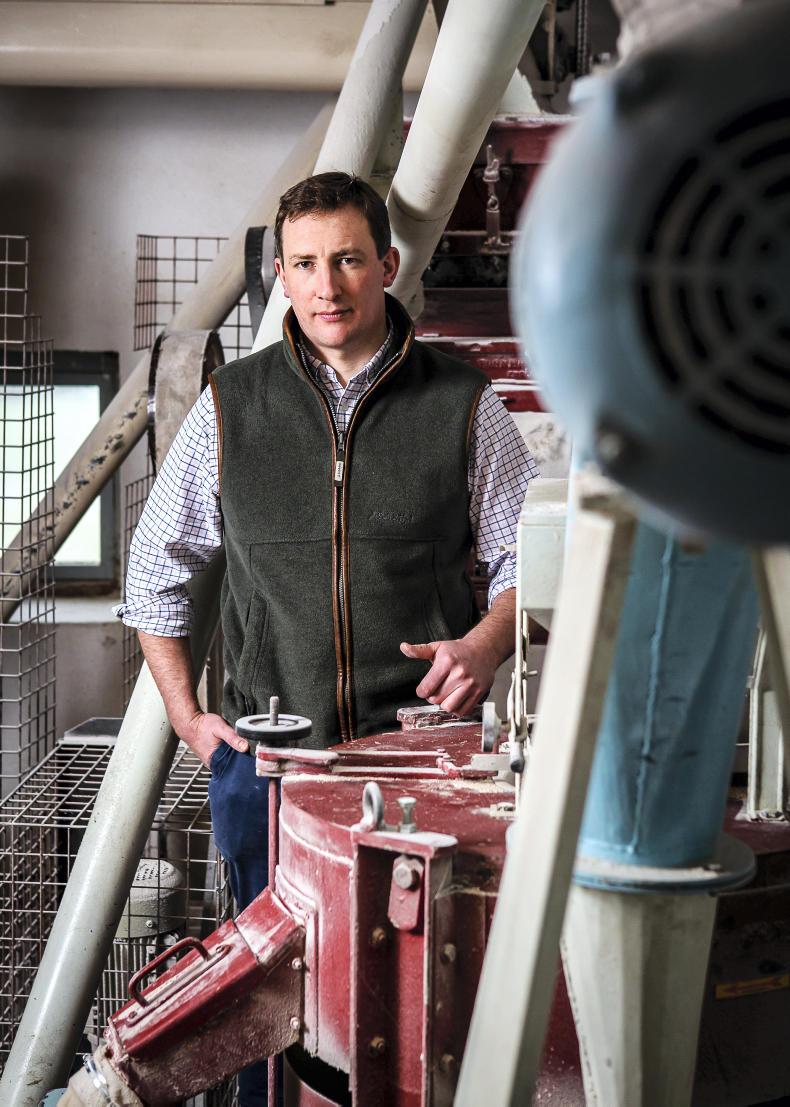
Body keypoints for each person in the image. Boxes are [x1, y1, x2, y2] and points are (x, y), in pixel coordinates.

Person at [117, 171, 537, 1104]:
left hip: (421, 767)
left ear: (386, 264)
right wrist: (186, 714)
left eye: (347, 259)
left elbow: (526, 564)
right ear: (281, 275)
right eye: (304, 264)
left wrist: (484, 643)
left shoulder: (464, 403)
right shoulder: (230, 406)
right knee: (270, 1012)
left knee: (423, 1007)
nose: (326, 285)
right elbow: (154, 569)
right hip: (270, 766)